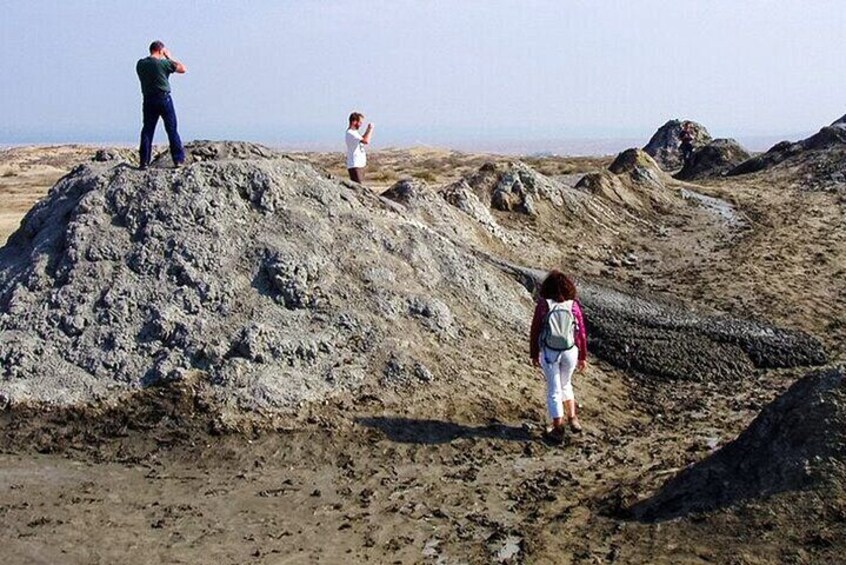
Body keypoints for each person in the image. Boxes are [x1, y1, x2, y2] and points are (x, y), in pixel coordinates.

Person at [529, 270, 588, 443]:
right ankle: (573, 419)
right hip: (570, 351)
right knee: (566, 384)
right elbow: (581, 333)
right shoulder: (573, 305)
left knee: (554, 390)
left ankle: (558, 428)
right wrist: (582, 356)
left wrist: (534, 353)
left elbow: (535, 331)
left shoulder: (544, 305)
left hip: (550, 353)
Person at [136, 40, 187, 169]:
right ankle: (178, 160)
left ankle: (144, 161)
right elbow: (183, 69)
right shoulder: (164, 64)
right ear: (160, 51)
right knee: (171, 129)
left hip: (148, 100)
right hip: (164, 99)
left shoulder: (141, 64)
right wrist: (169, 57)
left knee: (147, 130)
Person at [345, 112, 374, 183]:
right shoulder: (351, 133)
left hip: (360, 165)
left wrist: (367, 130)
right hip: (355, 165)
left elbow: (363, 138)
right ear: (354, 121)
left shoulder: (355, 133)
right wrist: (370, 129)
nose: (361, 124)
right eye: (360, 122)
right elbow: (366, 141)